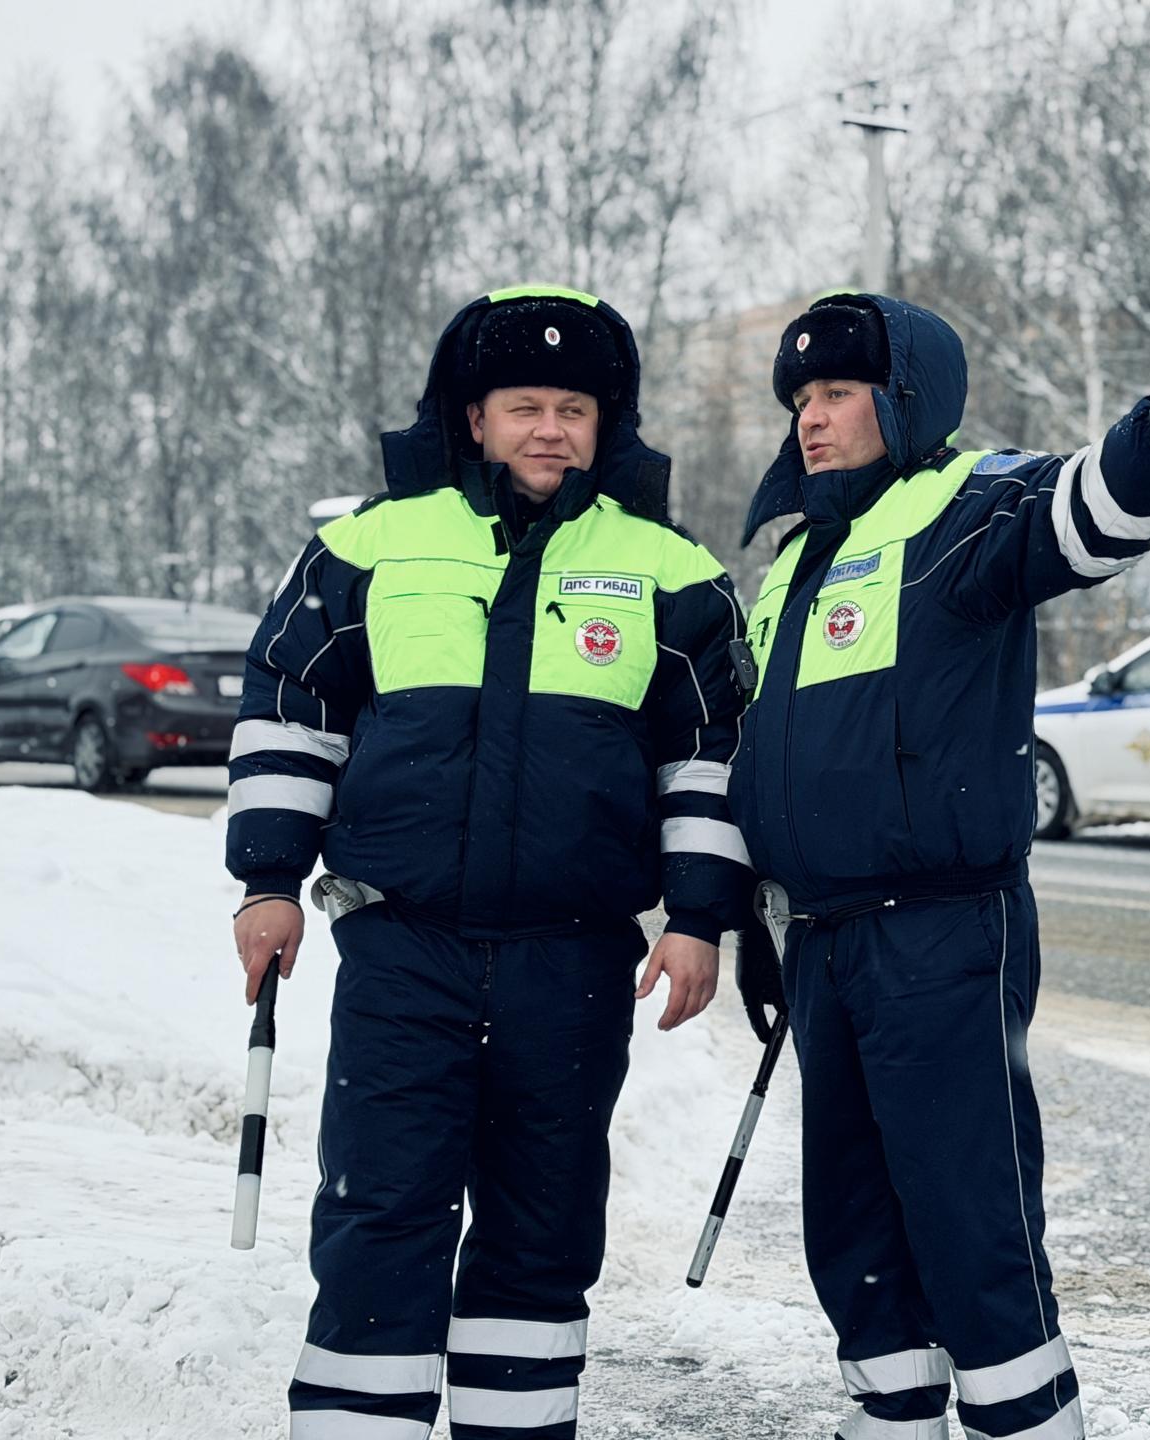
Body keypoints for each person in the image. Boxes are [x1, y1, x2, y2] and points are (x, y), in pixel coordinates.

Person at [730, 293, 1150, 1440]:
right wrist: (756, 912)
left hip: (941, 935)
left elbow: (1088, 516)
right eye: (801, 399)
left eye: (838, 392)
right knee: (851, 1220)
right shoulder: (792, 568)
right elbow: (765, 753)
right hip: (824, 941)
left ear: (904, 400)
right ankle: (892, 1418)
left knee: (968, 1217)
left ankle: (1026, 1424)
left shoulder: (968, 508)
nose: (812, 419)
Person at [226, 284, 754, 1440]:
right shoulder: (369, 547)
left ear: (605, 424)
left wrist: (697, 917)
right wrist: (269, 883)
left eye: (574, 408)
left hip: (572, 961)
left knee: (542, 1224)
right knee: (383, 1209)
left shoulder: (671, 572)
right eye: (525, 406)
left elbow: (711, 757)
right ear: (473, 417)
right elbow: (290, 714)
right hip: (402, 946)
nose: (550, 430)